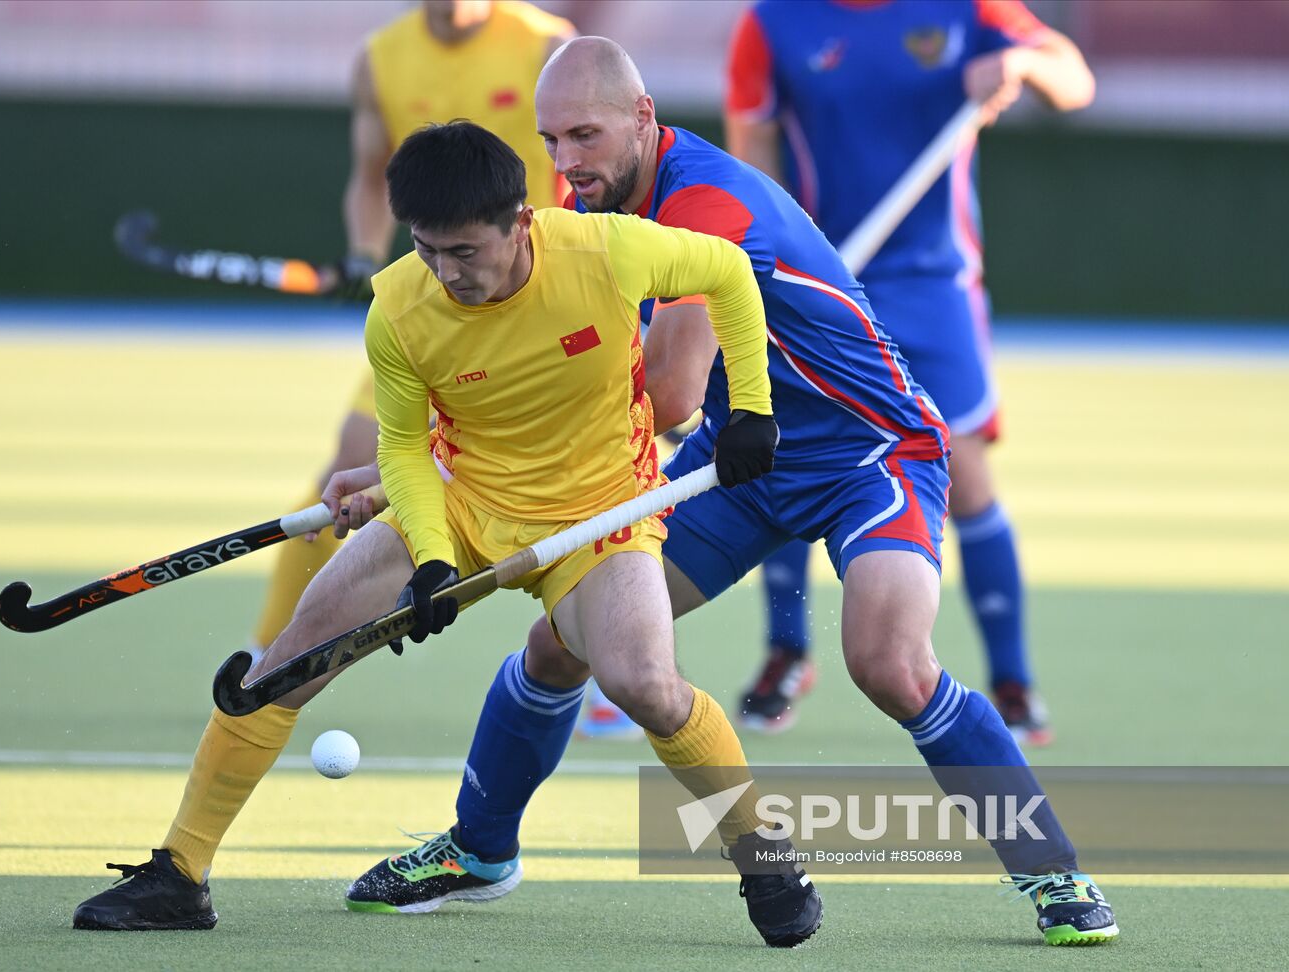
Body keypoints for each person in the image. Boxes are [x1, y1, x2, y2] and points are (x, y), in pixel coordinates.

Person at [342, 37, 1117, 947]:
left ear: (643, 118)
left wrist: (465, 462)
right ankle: (478, 851)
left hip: (868, 454)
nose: (565, 164)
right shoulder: (575, 206)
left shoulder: (703, 203)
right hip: (733, 463)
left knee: (890, 663)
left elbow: (664, 392)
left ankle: (1053, 871)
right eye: (550, 141)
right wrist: (430, 457)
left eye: (584, 136)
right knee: (561, 645)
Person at [72, 120, 823, 949]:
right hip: (464, 499)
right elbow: (401, 445)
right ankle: (180, 872)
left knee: (645, 683)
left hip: (601, 517)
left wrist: (750, 404)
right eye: (430, 250)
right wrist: (429, 558)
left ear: (521, 222)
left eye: (466, 251)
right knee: (286, 659)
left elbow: (725, 271)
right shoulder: (398, 305)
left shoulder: (606, 250)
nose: (447, 273)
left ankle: (763, 855)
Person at [724, 0, 1097, 743]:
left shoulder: (971, 7)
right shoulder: (770, 23)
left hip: (934, 281)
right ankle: (787, 653)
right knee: (788, 449)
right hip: (824, 273)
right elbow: (752, 151)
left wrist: (1021, 64)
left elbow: (1074, 81)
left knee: (964, 472)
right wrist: (765, 264)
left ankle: (1013, 679)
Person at [248, 0, 576, 668]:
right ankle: (267, 659)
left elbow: (587, 184)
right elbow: (371, 178)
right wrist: (364, 254)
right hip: (440, 311)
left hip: (548, 314)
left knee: (592, 492)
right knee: (339, 478)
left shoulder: (550, 48)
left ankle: (603, 669)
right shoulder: (381, 59)